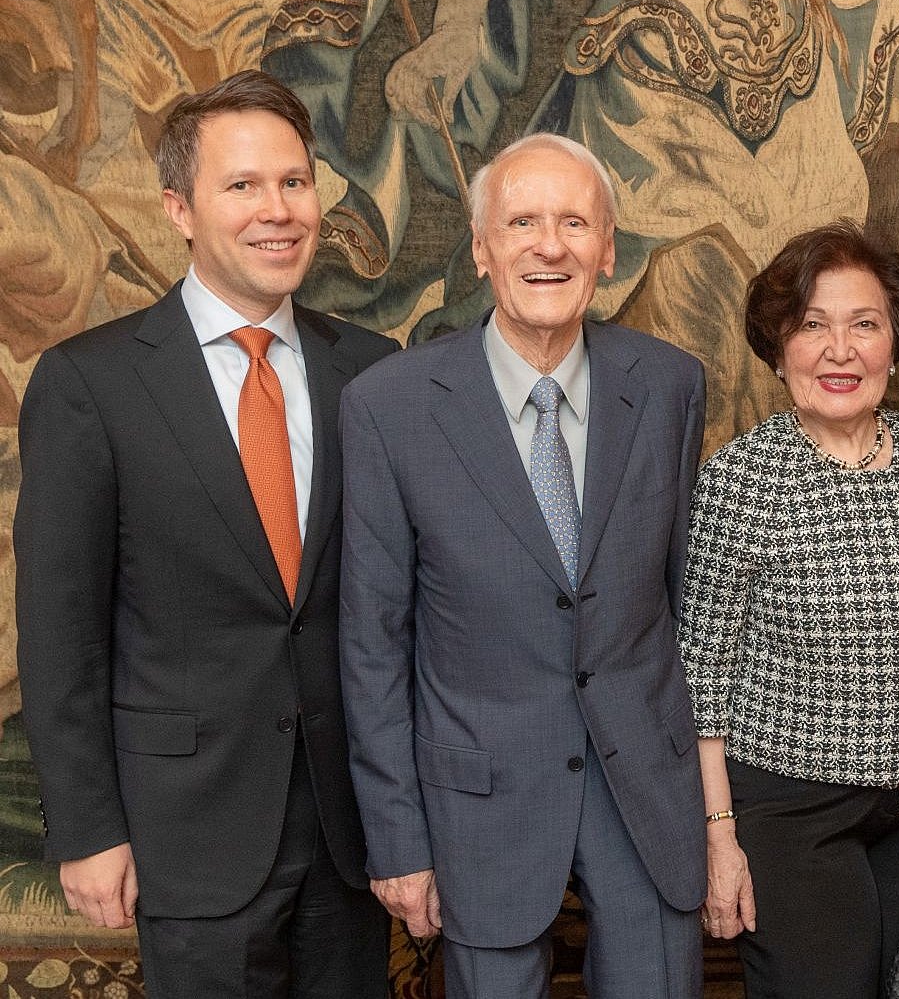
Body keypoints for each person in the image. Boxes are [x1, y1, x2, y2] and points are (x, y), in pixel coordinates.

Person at [14, 69, 396, 996]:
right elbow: (60, 635)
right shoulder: (89, 385)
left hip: (353, 835)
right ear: (179, 208)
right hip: (186, 830)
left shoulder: (376, 375)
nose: (279, 210)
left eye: (294, 182)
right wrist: (90, 829)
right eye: (243, 186)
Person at [338, 132, 708, 997]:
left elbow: (691, 605)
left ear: (608, 248)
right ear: (481, 248)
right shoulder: (390, 407)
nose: (551, 245)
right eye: (523, 222)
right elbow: (372, 643)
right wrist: (397, 839)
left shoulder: (669, 386)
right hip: (478, 805)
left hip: (645, 795)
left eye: (575, 223)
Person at [680, 221, 899, 996]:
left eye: (864, 324)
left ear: (894, 344)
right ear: (778, 346)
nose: (840, 349)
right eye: (812, 326)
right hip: (788, 813)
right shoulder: (739, 481)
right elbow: (702, 689)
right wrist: (720, 840)